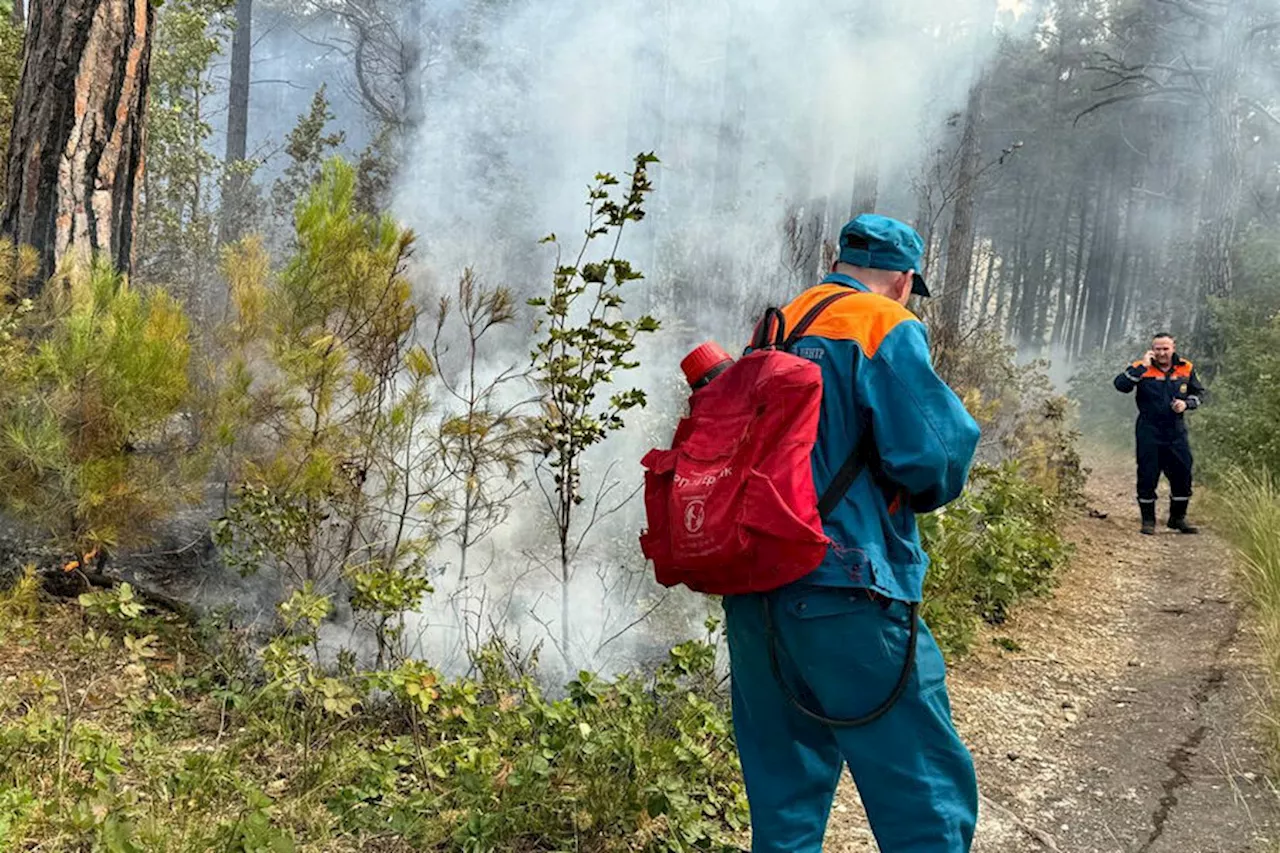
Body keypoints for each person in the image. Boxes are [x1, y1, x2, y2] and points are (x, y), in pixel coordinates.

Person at [722, 214, 981, 852]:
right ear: (902, 278)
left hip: (758, 593)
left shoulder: (776, 325)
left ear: (842, 259)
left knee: (784, 798)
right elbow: (936, 452)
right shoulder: (880, 324)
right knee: (923, 793)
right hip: (847, 588)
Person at [1113, 333, 1205, 535]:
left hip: (1176, 430)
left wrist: (1186, 404)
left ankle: (1177, 518)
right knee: (1147, 474)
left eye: (1166, 348)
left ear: (1173, 347)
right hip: (1149, 430)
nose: (1162, 353)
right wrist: (1141, 368)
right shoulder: (1141, 367)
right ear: (1152, 349)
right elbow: (1120, 385)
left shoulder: (1186, 367)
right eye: (1158, 349)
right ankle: (1148, 520)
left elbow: (1200, 394)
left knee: (1183, 474)